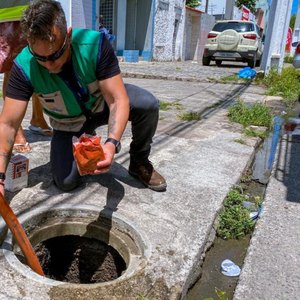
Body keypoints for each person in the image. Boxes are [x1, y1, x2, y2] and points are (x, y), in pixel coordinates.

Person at [0, 0, 166, 193]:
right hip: (68, 122)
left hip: (101, 105)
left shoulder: (94, 44)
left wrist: (111, 144)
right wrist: (1, 179)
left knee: (147, 103)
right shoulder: (23, 67)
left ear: (68, 36)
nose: (50, 65)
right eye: (41, 58)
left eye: (56, 54)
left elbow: (117, 100)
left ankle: (139, 162)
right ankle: (84, 141)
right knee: (66, 182)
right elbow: (8, 125)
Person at [0, 0, 52, 153]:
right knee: (13, 68)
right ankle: (15, 128)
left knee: (37, 63)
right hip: (6, 14)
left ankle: (38, 118)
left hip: (34, 12)